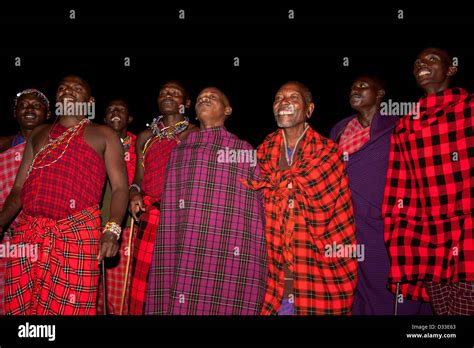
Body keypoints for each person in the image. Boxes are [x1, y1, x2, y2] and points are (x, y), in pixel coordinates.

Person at [0, 75, 129, 315]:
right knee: (22, 309)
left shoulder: (104, 135)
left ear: (89, 101)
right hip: (30, 234)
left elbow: (121, 188)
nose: (68, 90)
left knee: (71, 309)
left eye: (76, 87)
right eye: (62, 87)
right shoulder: (39, 134)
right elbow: (19, 189)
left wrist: (112, 230)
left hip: (76, 235)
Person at [145, 87, 267, 315]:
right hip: (186, 245)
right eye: (200, 98)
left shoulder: (243, 150)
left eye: (212, 98)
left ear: (227, 110)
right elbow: (173, 211)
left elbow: (254, 208)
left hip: (226, 246)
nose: (204, 100)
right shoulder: (181, 152)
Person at [244, 81, 357, 315]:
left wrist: (283, 184)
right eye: (278, 98)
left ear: (309, 110)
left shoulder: (328, 152)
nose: (283, 102)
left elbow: (322, 211)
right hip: (273, 273)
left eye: (293, 97)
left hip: (317, 269)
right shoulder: (263, 152)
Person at [329, 75, 432, 315]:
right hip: (348, 224)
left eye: (363, 86)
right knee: (356, 286)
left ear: (380, 94)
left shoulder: (398, 127)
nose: (356, 89)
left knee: (388, 284)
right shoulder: (339, 129)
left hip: (387, 224)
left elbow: (416, 170)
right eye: (353, 86)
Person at [383, 47, 474, 315]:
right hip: (430, 237)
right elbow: (400, 185)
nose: (422, 63)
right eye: (418, 62)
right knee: (444, 315)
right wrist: (400, 233)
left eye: (432, 59)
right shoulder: (406, 125)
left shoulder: (470, 109)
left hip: (468, 230)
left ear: (451, 69)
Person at [128, 81, 197, 314]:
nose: (168, 95)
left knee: (181, 284)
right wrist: (134, 192)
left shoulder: (196, 134)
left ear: (186, 103)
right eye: (163, 92)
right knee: (143, 284)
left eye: (175, 93)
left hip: (184, 218)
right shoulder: (145, 136)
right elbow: (138, 177)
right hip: (151, 216)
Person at [0, 89, 50, 315]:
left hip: (43, 232)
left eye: (36, 105)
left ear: (48, 114)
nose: (29, 109)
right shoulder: (3, 146)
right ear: (15, 112)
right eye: (24, 105)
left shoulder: (58, 145)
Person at [97, 99, 137, 314]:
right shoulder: (94, 140)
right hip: (91, 221)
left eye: (121, 109)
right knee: (91, 286)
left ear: (129, 119)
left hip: (124, 225)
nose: (115, 112)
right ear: (103, 118)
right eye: (110, 109)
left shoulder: (140, 145)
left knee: (117, 292)